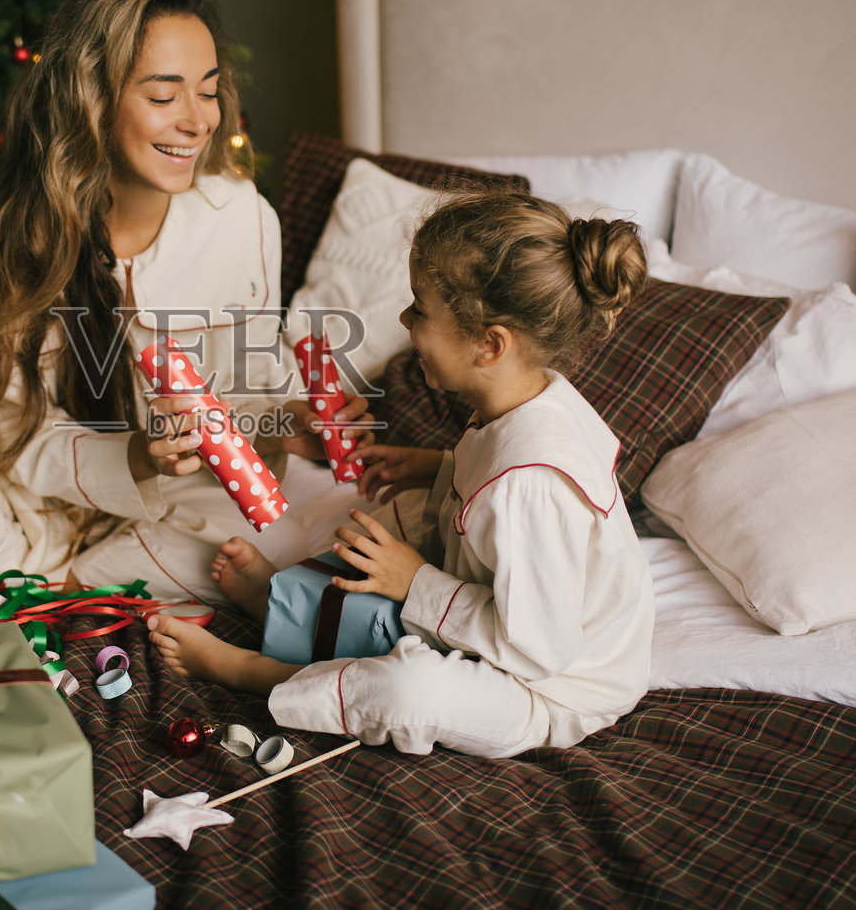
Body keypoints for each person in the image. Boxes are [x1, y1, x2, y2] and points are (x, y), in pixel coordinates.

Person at [0, 0, 371, 602]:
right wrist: (135, 456)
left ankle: (53, 580)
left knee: (324, 533)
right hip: (24, 488)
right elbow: (2, 432)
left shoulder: (241, 216)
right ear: (91, 99)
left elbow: (247, 398)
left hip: (185, 495)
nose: (197, 121)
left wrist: (286, 422)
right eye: (163, 97)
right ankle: (83, 576)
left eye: (208, 92)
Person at [150, 192, 656, 758]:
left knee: (409, 686)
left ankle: (255, 670)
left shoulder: (531, 485)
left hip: (552, 686)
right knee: (390, 528)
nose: (404, 319)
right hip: (505, 608)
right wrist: (436, 467)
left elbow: (539, 649)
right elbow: (492, 496)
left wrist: (415, 580)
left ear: (489, 345)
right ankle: (282, 606)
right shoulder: (530, 399)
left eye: (420, 309)